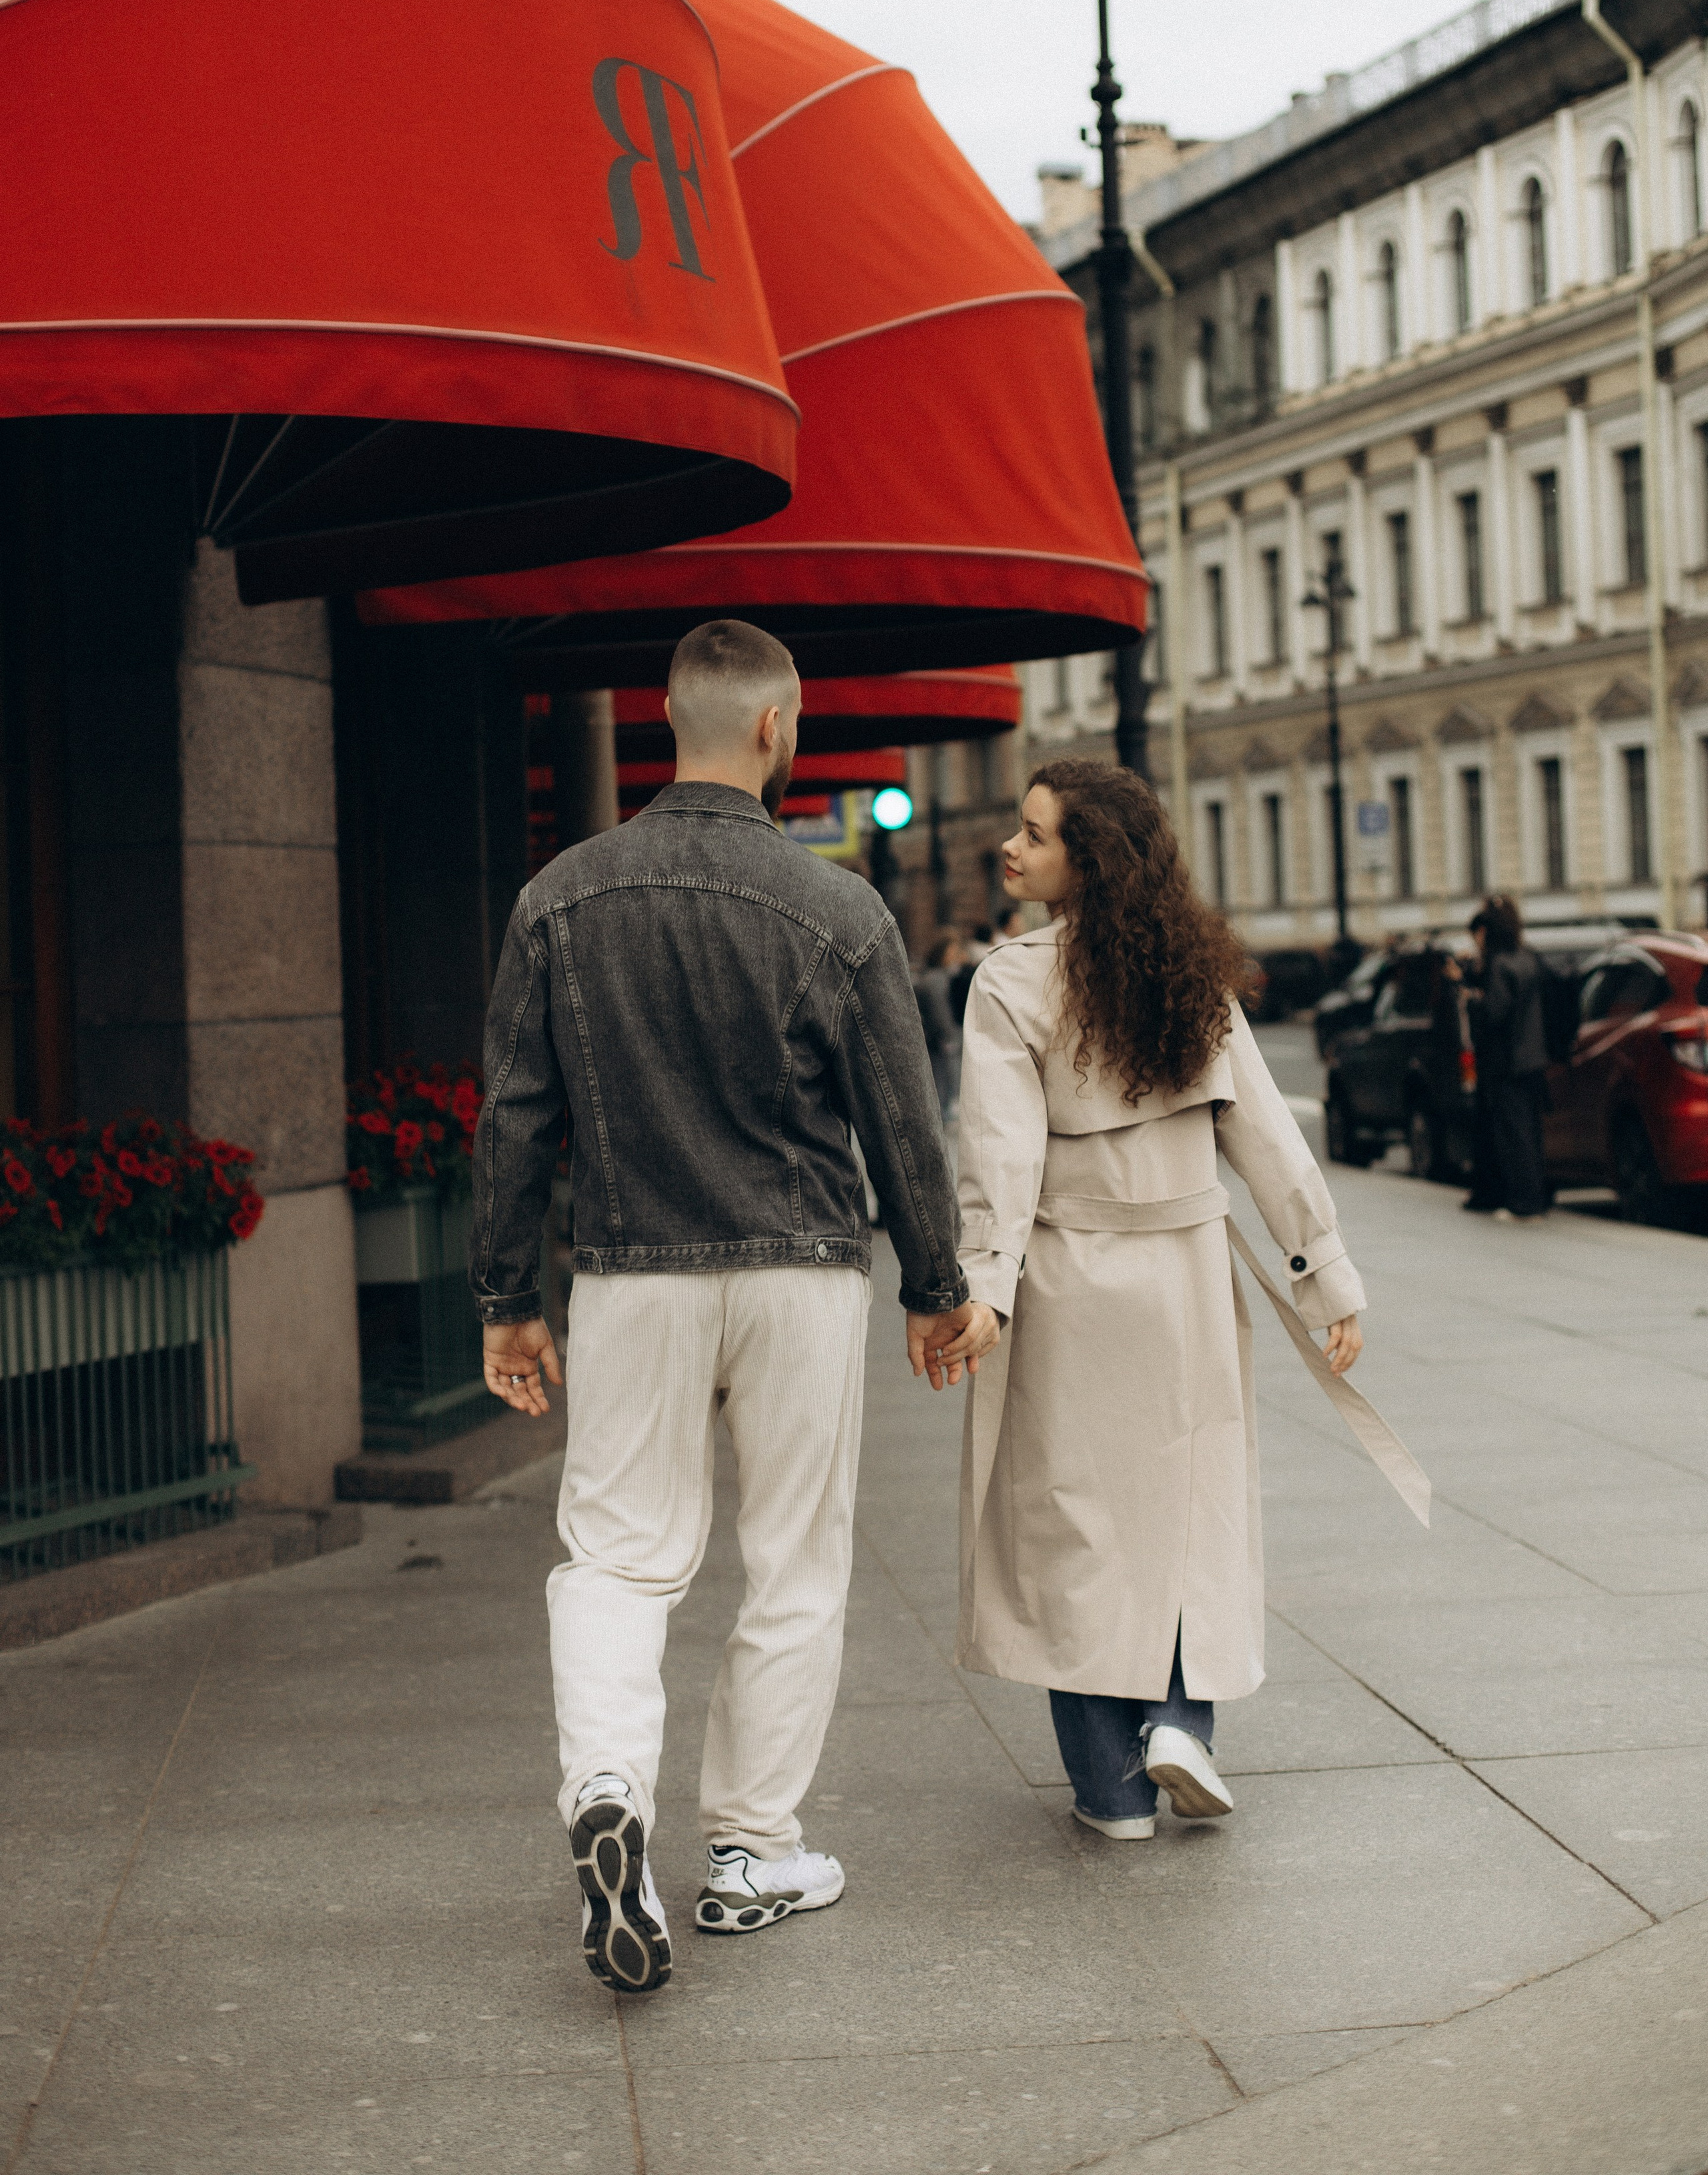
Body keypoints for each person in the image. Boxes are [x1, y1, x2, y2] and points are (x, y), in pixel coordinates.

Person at [472, 619, 991, 1993]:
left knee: (615, 1556)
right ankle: (753, 1851)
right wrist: (934, 1288)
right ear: (777, 729)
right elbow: (902, 1122)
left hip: (632, 1271)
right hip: (801, 1272)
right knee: (793, 1561)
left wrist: (503, 1300)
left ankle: (608, 1796)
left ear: (664, 715)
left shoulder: (559, 898)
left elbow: (516, 1115)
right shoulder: (841, 913)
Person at [952, 759, 1373, 1841]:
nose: (1012, 846)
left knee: (1073, 1530)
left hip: (1072, 1283)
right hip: (1185, 1279)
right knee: (1190, 1509)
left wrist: (984, 1291)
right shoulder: (1195, 978)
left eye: (1036, 835)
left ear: (1085, 861)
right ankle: (1184, 1720)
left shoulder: (1010, 982)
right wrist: (1325, 1274)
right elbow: (1267, 1137)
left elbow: (998, 1159)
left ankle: (1112, 1795)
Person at [1446, 896, 1549, 1223]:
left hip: (1509, 1061)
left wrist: (1471, 999)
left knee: (1515, 1135)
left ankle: (1524, 1202)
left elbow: (1495, 1013)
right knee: (1530, 1132)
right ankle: (1536, 1198)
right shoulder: (1528, 957)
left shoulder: (1502, 964)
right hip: (1533, 1057)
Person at [913, 927, 966, 1120]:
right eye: (952, 951)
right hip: (937, 1044)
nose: (955, 956)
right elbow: (940, 1013)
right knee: (940, 1085)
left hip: (936, 1041)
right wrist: (951, 1036)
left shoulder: (938, 976)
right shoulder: (935, 980)